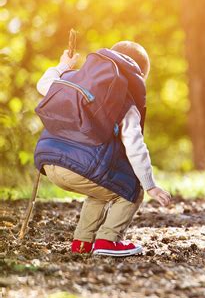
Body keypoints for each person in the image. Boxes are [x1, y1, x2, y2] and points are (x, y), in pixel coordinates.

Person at [34, 41, 171, 257]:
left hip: (48, 161)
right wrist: (149, 184)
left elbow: (43, 85)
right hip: (78, 168)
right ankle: (108, 240)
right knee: (131, 191)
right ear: (139, 76)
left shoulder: (73, 79)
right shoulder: (125, 101)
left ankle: (82, 242)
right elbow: (136, 147)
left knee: (101, 191)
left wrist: (63, 66)